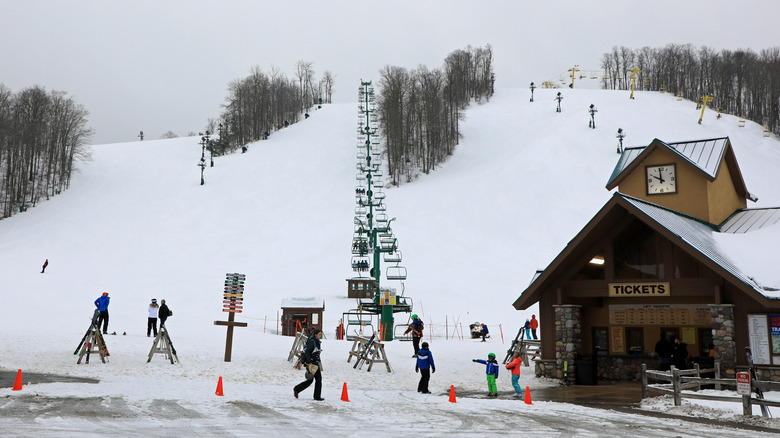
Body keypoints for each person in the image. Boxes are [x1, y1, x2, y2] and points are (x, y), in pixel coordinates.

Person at [294, 328, 324, 401]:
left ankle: (316, 396)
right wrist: (309, 362)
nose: (321, 335)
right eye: (319, 334)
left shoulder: (317, 342)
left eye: (321, 334)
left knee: (316, 379)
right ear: (315, 334)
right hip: (311, 364)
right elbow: (307, 352)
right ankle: (297, 389)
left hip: (315, 364)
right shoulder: (312, 341)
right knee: (312, 380)